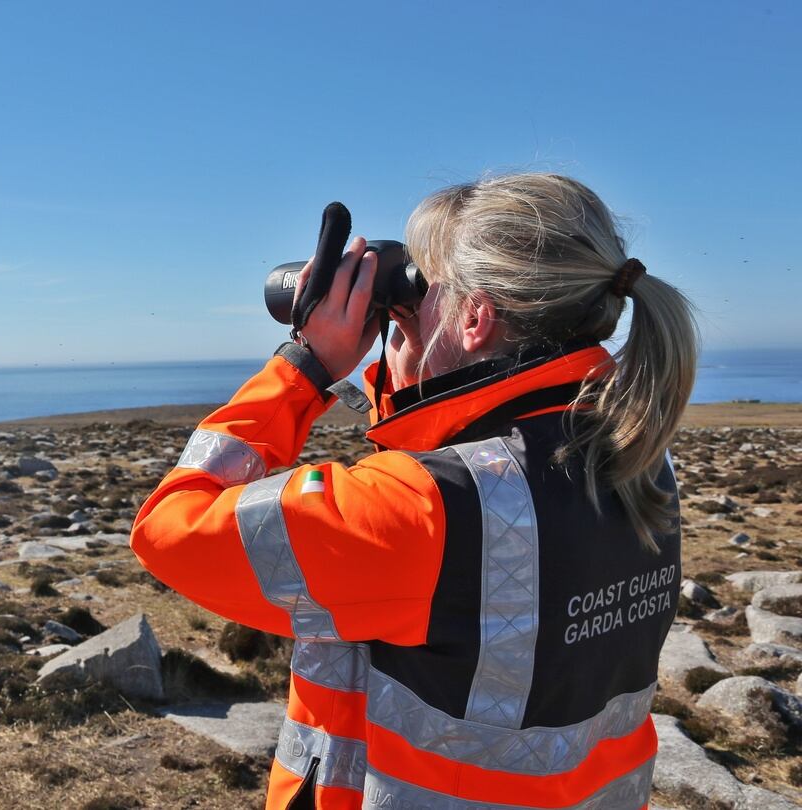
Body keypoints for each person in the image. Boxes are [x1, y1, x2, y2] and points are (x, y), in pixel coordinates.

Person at [130, 173, 696, 809]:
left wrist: (305, 366)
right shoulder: (636, 460)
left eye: (418, 287)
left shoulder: (427, 506)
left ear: (475, 316)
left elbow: (171, 530)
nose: (398, 311)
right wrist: (413, 376)